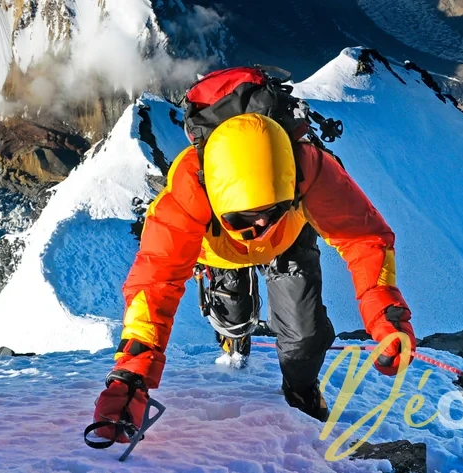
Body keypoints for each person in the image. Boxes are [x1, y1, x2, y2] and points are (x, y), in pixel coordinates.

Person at [92, 109, 416, 441]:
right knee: (234, 319)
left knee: (304, 334)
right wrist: (131, 375)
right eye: (244, 218)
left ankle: (301, 388)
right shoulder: (187, 192)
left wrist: (383, 311)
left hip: (287, 240)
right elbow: (155, 282)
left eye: (270, 210)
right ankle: (234, 333)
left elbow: (363, 237)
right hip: (223, 250)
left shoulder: (309, 168)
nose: (260, 225)